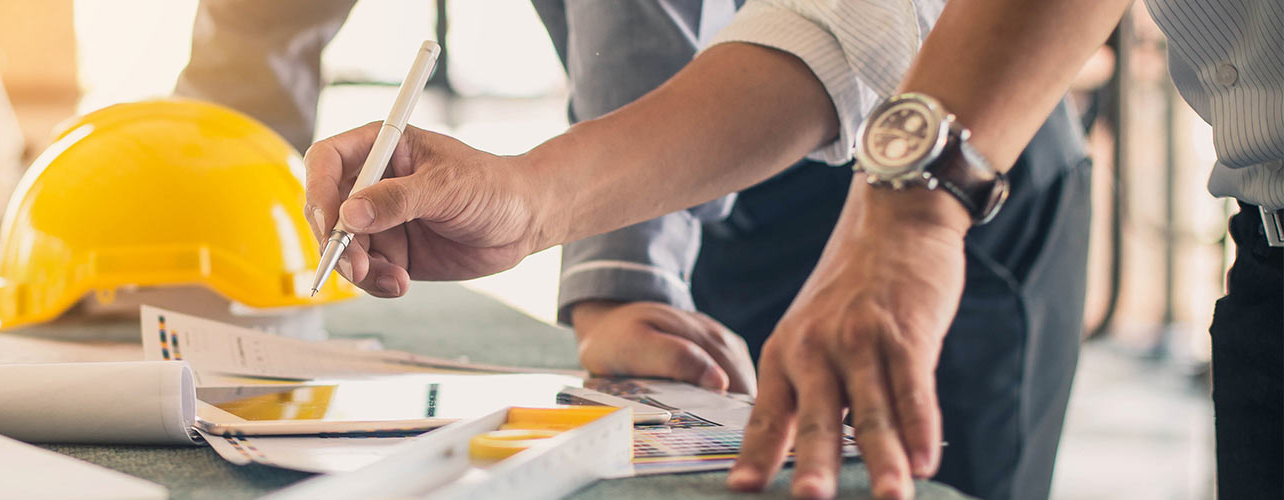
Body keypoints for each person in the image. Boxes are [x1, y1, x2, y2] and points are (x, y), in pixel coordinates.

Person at [304, 0, 1281, 498]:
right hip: (1264, 269)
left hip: (967, 174)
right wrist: (534, 201)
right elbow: (857, 22)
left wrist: (913, 208)